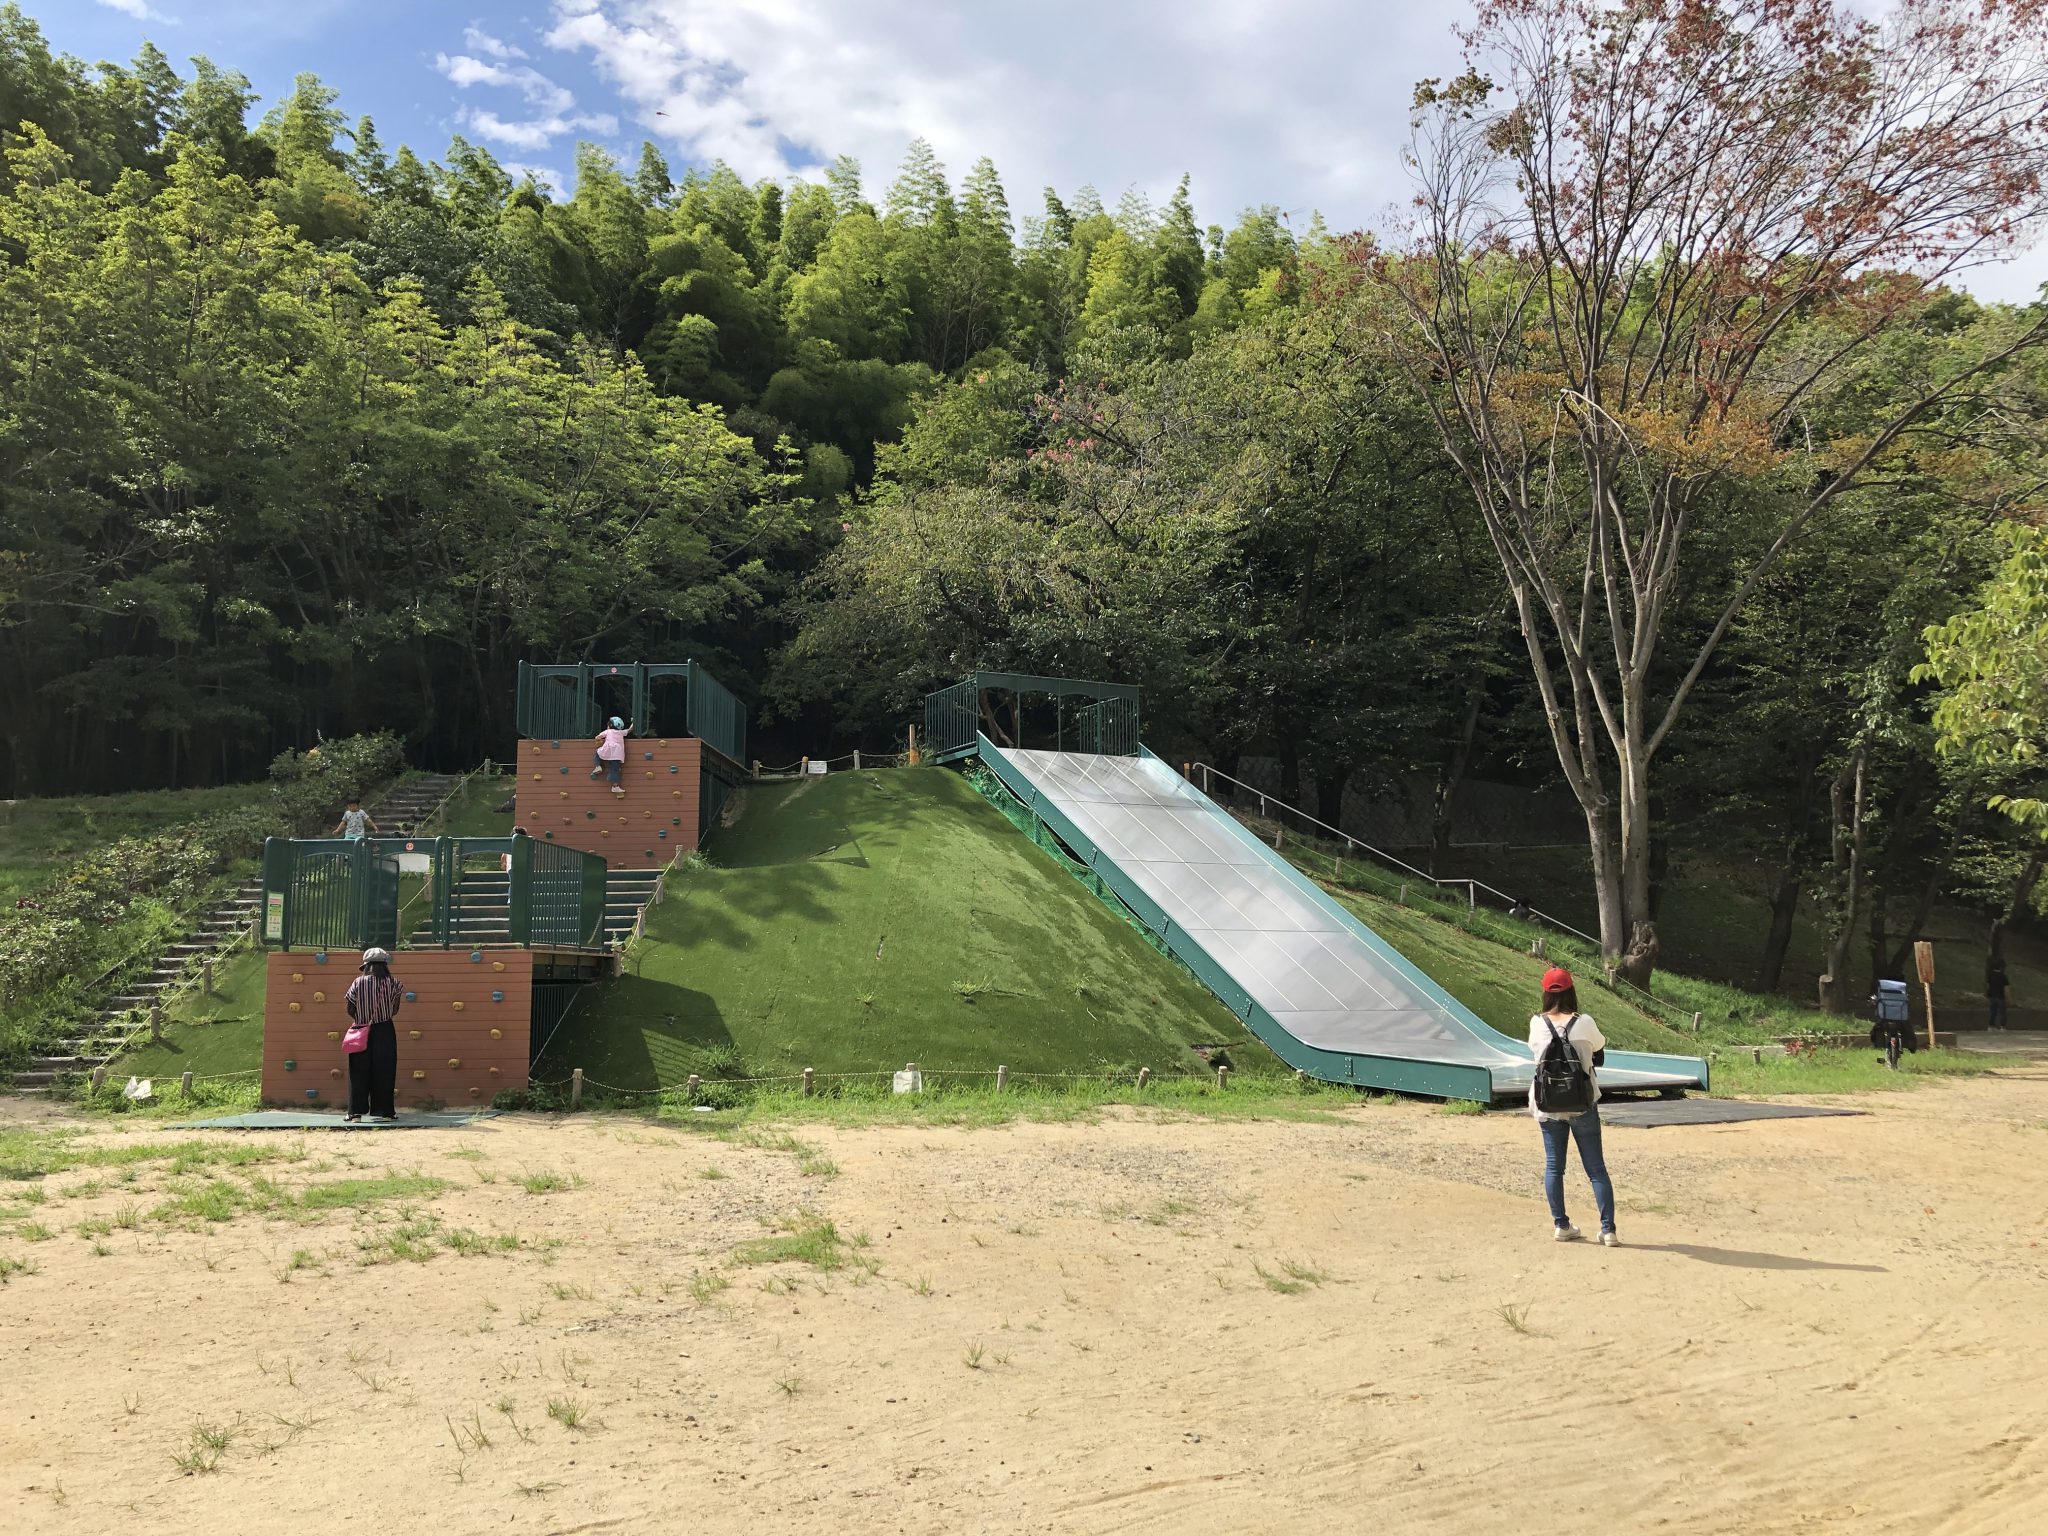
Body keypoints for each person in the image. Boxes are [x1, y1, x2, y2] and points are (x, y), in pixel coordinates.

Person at [1528, 965, 1618, 1246]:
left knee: (1555, 1167)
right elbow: (1598, 1048)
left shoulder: (1536, 1023)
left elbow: (1535, 1053)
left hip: (1547, 1104)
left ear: (1545, 993)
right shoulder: (1585, 1022)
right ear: (1571, 991)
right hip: (1582, 1102)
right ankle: (1608, 1230)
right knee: (1596, 1169)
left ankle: (1561, 1225)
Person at [343, 947, 403, 1122]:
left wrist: (363, 1019)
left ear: (366, 965)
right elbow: (395, 1010)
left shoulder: (357, 983)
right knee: (385, 1070)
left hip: (361, 1029)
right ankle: (386, 1112)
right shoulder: (394, 983)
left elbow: (350, 1008)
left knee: (357, 1071)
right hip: (385, 1030)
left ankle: (355, 1113)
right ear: (385, 965)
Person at [589, 716, 632, 796]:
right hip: (617, 753)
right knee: (614, 769)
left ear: (610, 725)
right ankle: (615, 786)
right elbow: (629, 730)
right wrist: (633, 723)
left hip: (608, 749)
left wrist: (598, 739)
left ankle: (598, 766)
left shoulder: (608, 731)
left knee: (598, 753)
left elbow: (598, 737)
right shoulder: (621, 732)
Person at [1987, 954, 2011, 1032]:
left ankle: (1991, 1026)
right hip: (2001, 997)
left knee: (1992, 1011)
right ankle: (2002, 1027)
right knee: (2002, 1012)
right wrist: (2008, 998)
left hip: (1992, 996)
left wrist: (1988, 994)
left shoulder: (1990, 975)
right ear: (2002, 967)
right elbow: (2006, 989)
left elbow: (1987, 986)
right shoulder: (2003, 976)